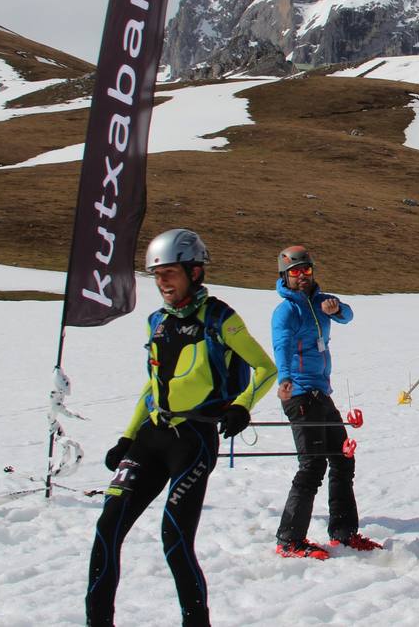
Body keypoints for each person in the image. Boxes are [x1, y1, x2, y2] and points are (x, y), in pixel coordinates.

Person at [86, 228, 276, 627]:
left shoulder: (221, 318)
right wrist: (127, 435)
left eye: (169, 272)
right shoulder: (156, 322)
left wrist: (242, 407)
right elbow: (153, 387)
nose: (162, 283)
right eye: (157, 275)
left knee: (174, 539)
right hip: (152, 437)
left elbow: (265, 368)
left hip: (194, 441)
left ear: (194, 271)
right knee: (107, 527)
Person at [271, 244, 380, 559]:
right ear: (285, 276)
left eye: (306, 270)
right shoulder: (286, 311)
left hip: (321, 393)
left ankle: (344, 533)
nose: (302, 276)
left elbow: (348, 315)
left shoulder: (320, 302)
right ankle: (289, 540)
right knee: (312, 465)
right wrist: (285, 379)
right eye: (295, 272)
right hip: (300, 394)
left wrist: (338, 309)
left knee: (343, 459)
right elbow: (282, 345)